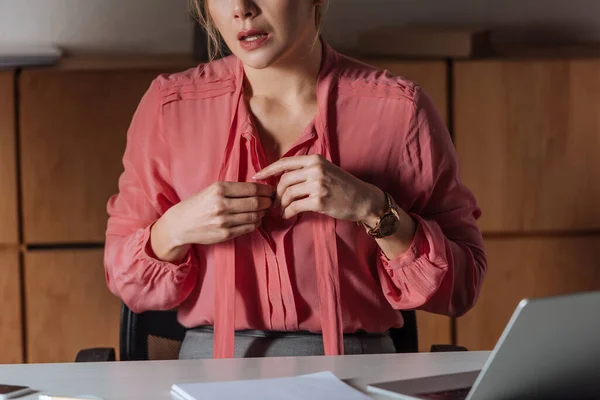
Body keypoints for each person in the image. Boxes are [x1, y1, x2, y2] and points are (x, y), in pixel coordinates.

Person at [104, 0, 487, 360]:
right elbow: (126, 281)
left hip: (358, 370)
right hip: (208, 375)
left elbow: (462, 287)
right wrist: (174, 229)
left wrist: (372, 208)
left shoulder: (400, 111)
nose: (242, 9)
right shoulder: (169, 107)